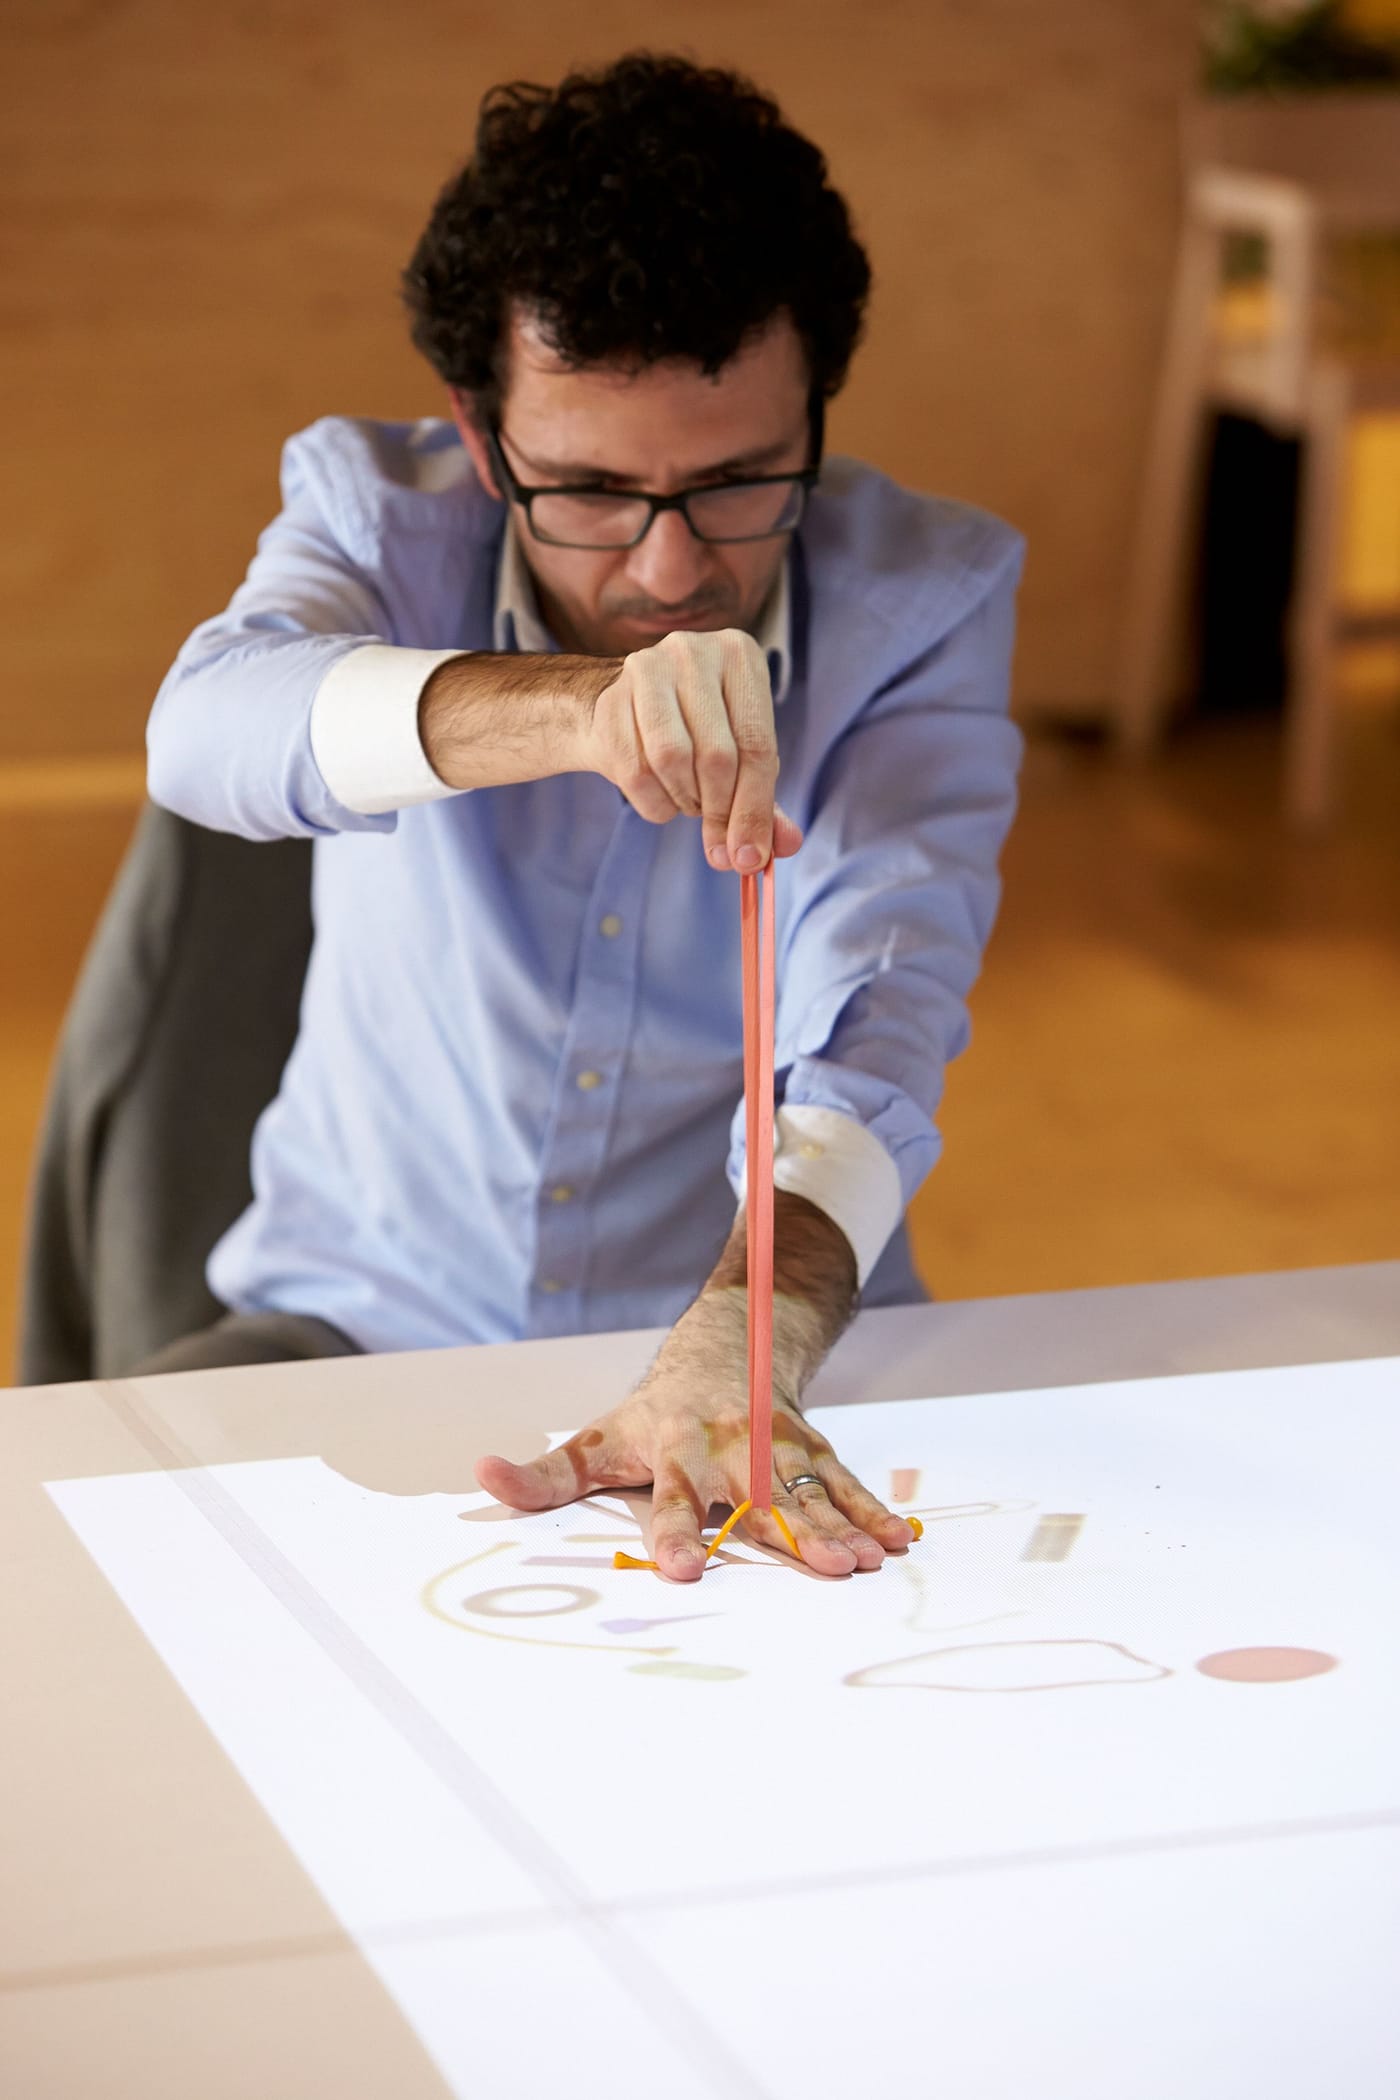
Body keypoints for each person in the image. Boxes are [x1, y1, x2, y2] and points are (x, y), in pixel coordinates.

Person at [143, 52, 1025, 1582]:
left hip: (754, 1344)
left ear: (816, 414)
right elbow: (203, 729)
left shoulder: (926, 599)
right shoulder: (375, 511)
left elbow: (878, 1016)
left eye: (741, 480)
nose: (671, 573)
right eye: (592, 491)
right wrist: (577, 709)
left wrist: (741, 1337)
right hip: (355, 1329)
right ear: (481, 434)